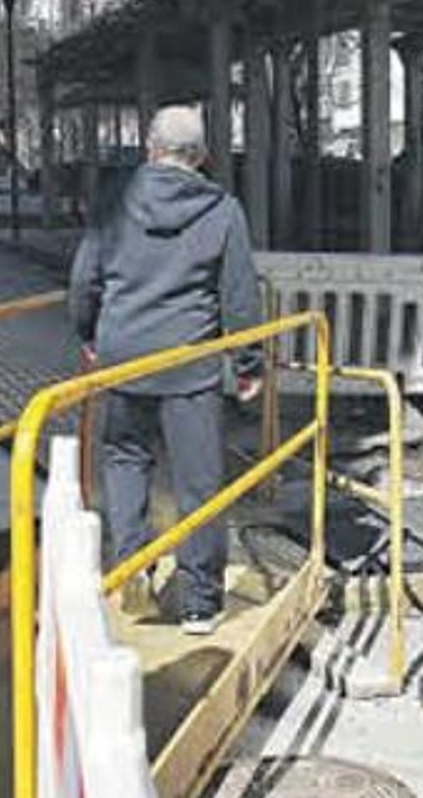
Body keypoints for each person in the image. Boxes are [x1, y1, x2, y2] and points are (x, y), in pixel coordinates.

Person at [68, 105, 262, 635]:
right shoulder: (223, 210)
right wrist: (248, 365)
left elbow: (84, 279)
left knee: (126, 460)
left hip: (124, 358)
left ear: (151, 148)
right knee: (199, 481)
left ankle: (133, 570)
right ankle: (200, 602)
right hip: (190, 367)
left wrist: (88, 335)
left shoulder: (114, 201)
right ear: (200, 156)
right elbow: (239, 296)